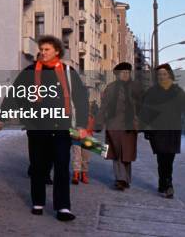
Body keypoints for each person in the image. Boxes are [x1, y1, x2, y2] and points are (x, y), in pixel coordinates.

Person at [0, 35, 89, 221]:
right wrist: (1, 117)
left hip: (62, 127)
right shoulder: (30, 71)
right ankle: (38, 201)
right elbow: (13, 95)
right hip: (37, 127)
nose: (43, 52)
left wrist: (81, 124)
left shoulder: (67, 71)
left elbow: (80, 99)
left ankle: (63, 207)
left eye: (47, 49)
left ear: (57, 51)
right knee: (39, 166)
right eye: (41, 49)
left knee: (62, 167)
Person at [139, 63, 185, 199]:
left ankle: (167, 183)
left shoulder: (178, 91)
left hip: (172, 129)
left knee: (169, 158)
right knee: (161, 158)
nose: (162, 76)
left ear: (169, 75)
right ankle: (164, 183)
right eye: (159, 74)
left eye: (164, 74)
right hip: (157, 130)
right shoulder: (152, 92)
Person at [94, 62, 141, 191]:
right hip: (113, 124)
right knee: (117, 153)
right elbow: (104, 107)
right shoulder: (110, 88)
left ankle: (125, 178)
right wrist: (99, 122)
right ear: (117, 75)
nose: (126, 75)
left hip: (129, 125)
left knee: (127, 153)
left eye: (127, 72)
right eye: (123, 73)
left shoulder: (135, 88)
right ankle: (120, 179)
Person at [71, 102, 96, 185]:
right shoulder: (74, 111)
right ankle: (76, 173)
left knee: (86, 155)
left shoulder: (90, 113)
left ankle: (84, 173)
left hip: (87, 131)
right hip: (76, 130)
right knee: (76, 154)